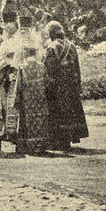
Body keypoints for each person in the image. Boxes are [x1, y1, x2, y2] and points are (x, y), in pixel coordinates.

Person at [43, 21, 88, 151]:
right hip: (71, 85)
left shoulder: (52, 47)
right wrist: (78, 84)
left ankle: (59, 141)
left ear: (51, 33)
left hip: (58, 86)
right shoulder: (72, 46)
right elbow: (77, 67)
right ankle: (68, 138)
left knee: (58, 112)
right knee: (70, 112)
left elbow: (48, 68)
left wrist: (47, 84)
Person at [8, 43, 51, 154]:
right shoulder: (42, 65)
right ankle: (40, 146)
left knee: (26, 122)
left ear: (25, 53)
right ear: (35, 52)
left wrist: (15, 100)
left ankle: (27, 147)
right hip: (40, 99)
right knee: (40, 121)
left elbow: (19, 86)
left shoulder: (23, 67)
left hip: (27, 99)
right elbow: (46, 82)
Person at [0, 10, 20, 139]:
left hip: (13, 72)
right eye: (6, 23)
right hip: (2, 74)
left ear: (16, 24)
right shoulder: (5, 39)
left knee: (12, 103)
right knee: (2, 103)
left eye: (11, 23)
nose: (8, 26)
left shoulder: (19, 38)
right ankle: (3, 130)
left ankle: (12, 131)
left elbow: (15, 55)